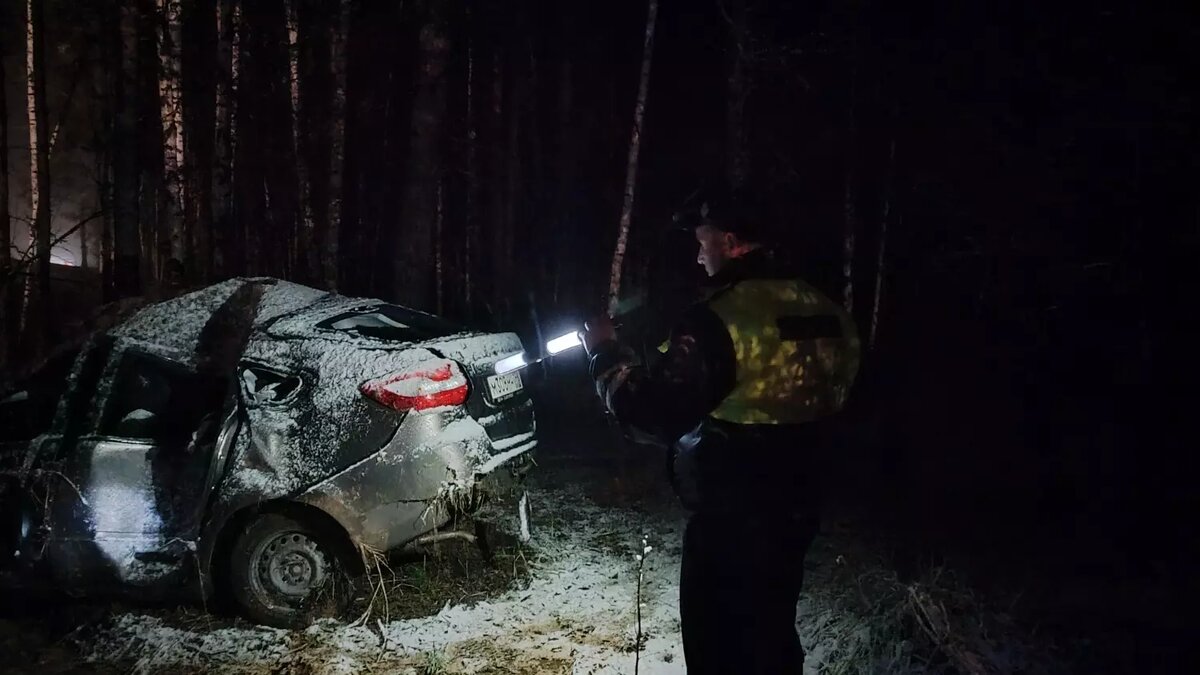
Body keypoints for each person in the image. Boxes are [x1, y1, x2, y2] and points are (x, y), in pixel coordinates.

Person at [580, 186, 861, 674]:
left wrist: (606, 355)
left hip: (734, 514)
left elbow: (653, 413)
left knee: (721, 646)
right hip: (801, 504)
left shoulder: (720, 318)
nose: (697, 253)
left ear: (729, 241)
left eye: (703, 240)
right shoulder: (826, 308)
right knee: (773, 630)